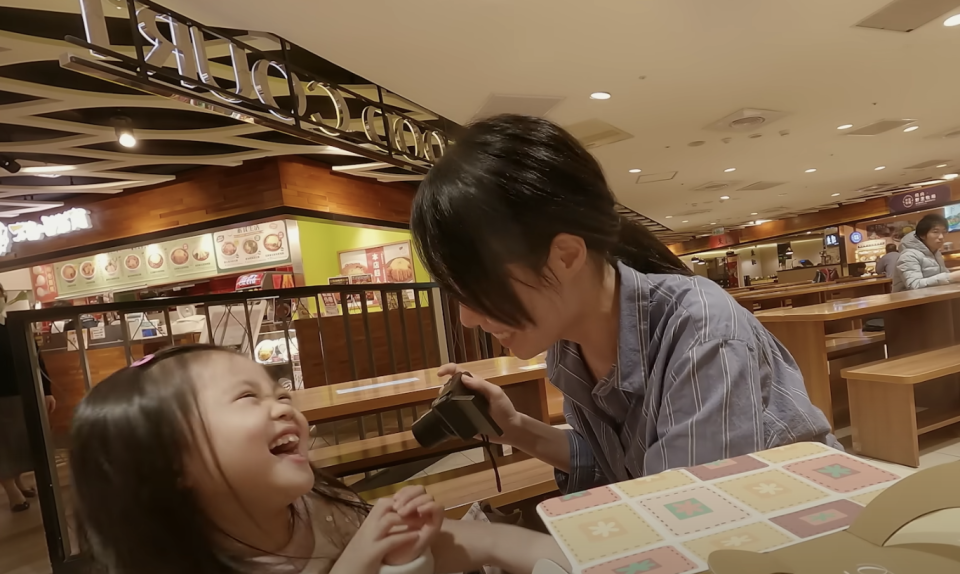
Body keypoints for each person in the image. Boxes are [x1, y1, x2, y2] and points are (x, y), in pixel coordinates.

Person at [411, 114, 837, 494]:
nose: (467, 317)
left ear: (566, 256)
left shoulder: (703, 333)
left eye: (477, 288)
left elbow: (688, 516)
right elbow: (622, 467)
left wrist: (489, 545)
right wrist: (515, 427)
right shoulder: (569, 345)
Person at [70, 345, 569, 574]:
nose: (283, 406)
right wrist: (359, 560)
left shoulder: (323, 509)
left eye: (281, 393)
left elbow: (477, 542)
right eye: (248, 398)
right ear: (170, 464)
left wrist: (413, 548)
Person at [0, 284, 54, 513]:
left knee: (21, 442)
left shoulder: (14, 323)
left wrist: (46, 389)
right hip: (2, 396)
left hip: (24, 391)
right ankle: (11, 491)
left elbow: (36, 357)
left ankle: (19, 481)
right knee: (3, 445)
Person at [893, 213, 960, 292]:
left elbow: (943, 277)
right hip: (912, 303)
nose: (941, 237)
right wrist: (951, 277)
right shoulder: (909, 256)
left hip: (934, 299)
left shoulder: (936, 253)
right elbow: (914, 285)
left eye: (944, 232)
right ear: (922, 235)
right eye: (935, 232)